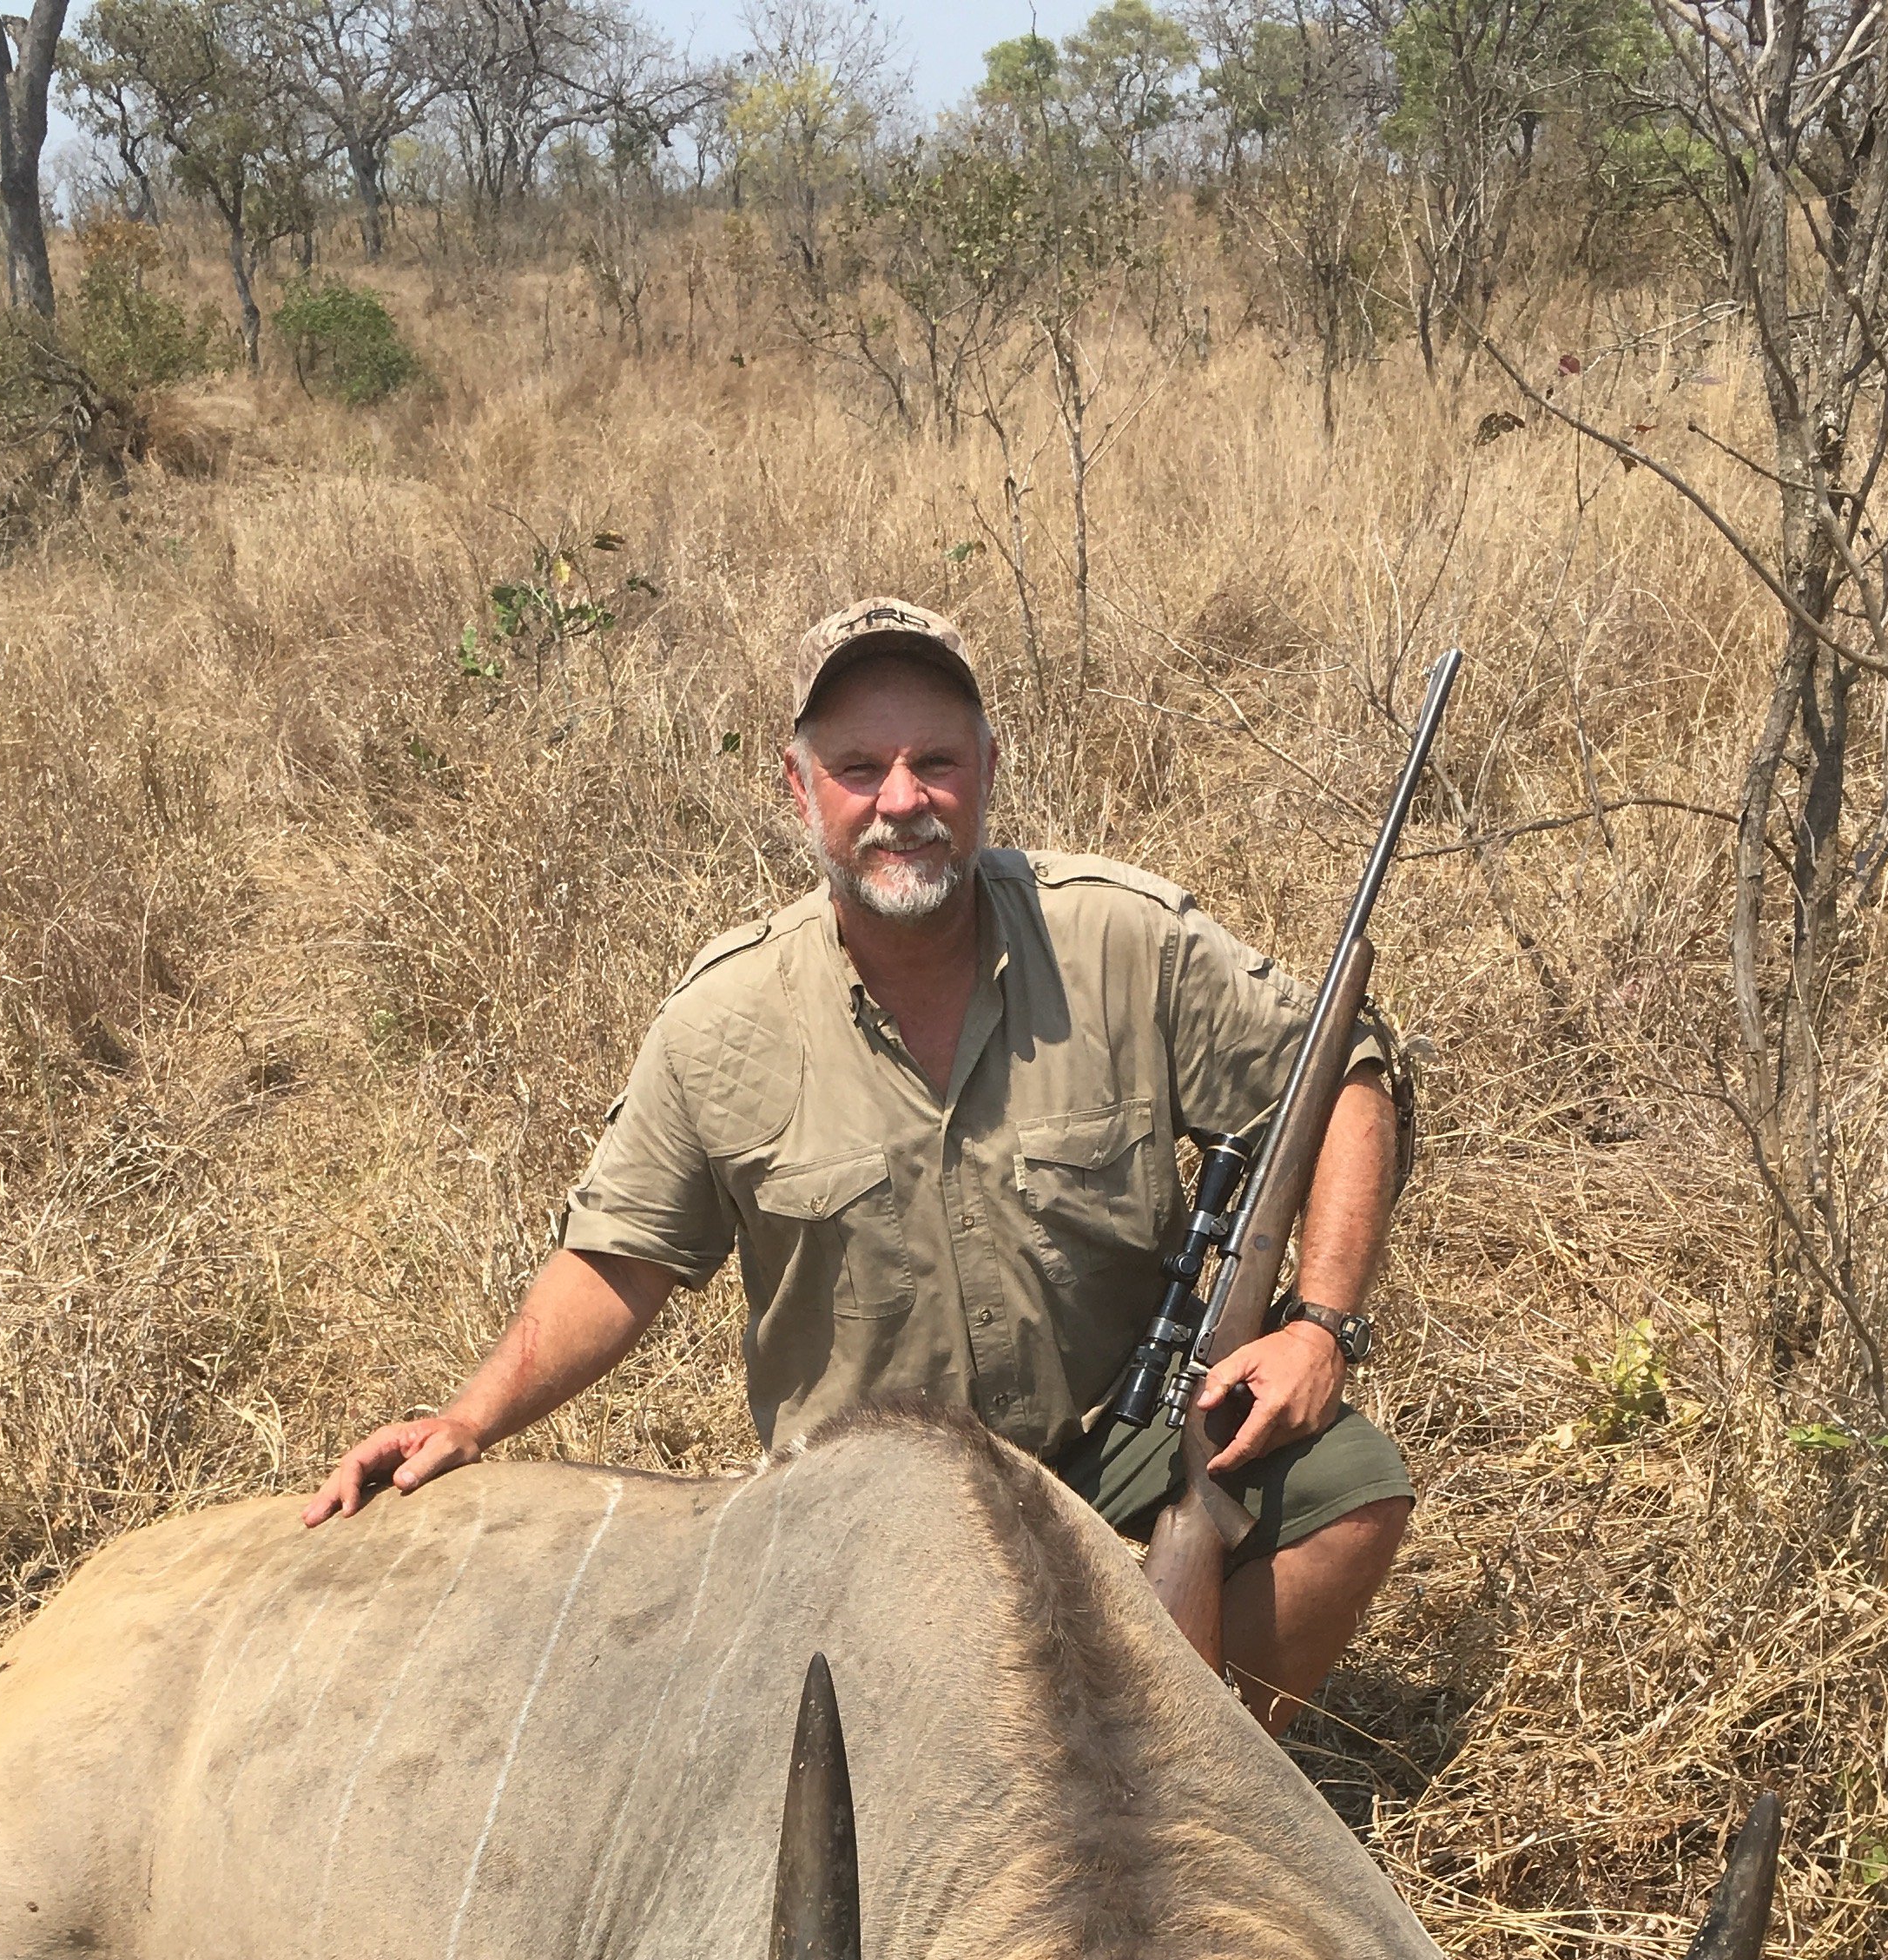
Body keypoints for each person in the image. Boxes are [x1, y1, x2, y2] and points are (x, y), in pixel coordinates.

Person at [309, 598, 1415, 1732]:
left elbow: (1344, 1073)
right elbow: (623, 1256)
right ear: (801, 790)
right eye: (859, 769)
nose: (903, 802)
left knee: (1348, 1491)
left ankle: (1205, 1792)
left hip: (1112, 1447)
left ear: (988, 768)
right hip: (861, 1509)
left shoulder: (1123, 938)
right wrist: (471, 1420)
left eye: (936, 761)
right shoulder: (719, 1021)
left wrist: (1319, 1325)